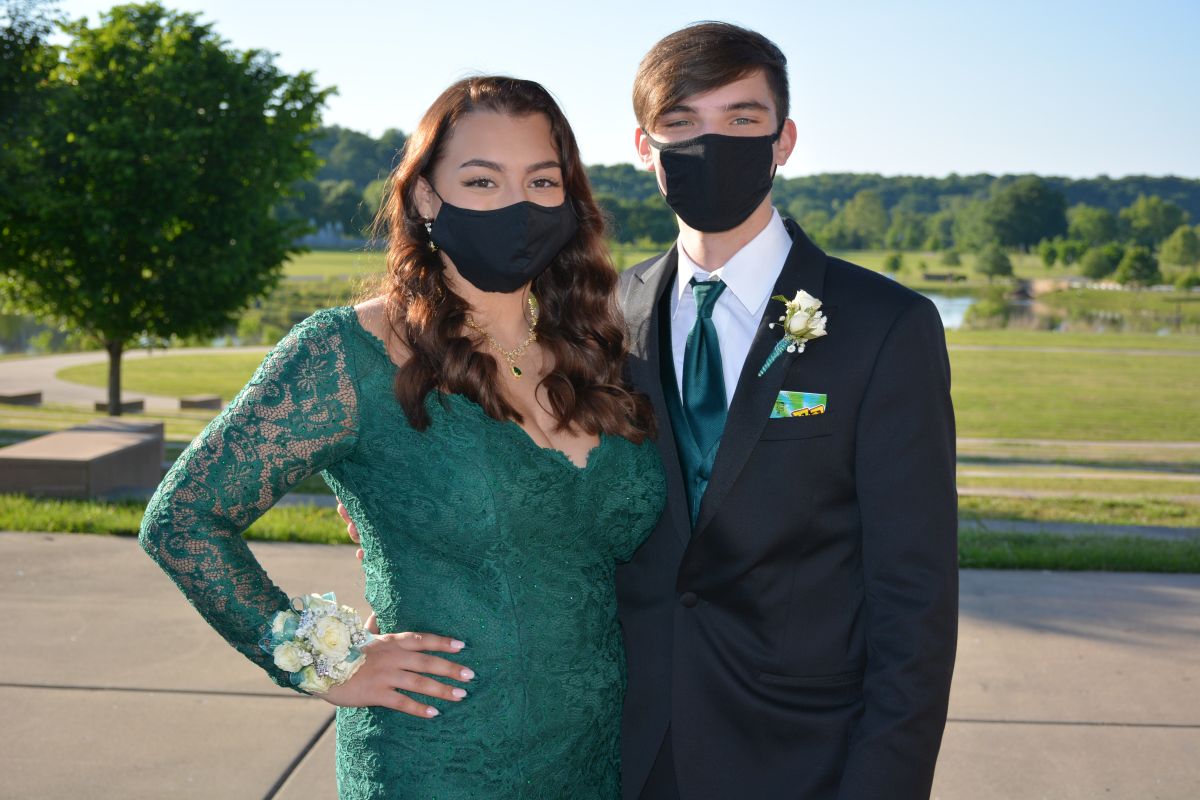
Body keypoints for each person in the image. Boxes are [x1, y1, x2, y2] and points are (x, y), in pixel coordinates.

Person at [140, 75, 665, 799]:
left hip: (595, 760)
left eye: (541, 181)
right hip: (435, 760)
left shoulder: (597, 350)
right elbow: (183, 518)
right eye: (482, 181)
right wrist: (322, 662)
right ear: (424, 198)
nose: (516, 204)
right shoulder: (348, 354)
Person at [612, 22, 959, 800]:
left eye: (741, 119)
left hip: (801, 758)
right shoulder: (609, 311)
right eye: (681, 122)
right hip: (627, 754)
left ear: (784, 140)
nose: (711, 143)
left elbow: (915, 595)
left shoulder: (885, 325)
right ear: (643, 146)